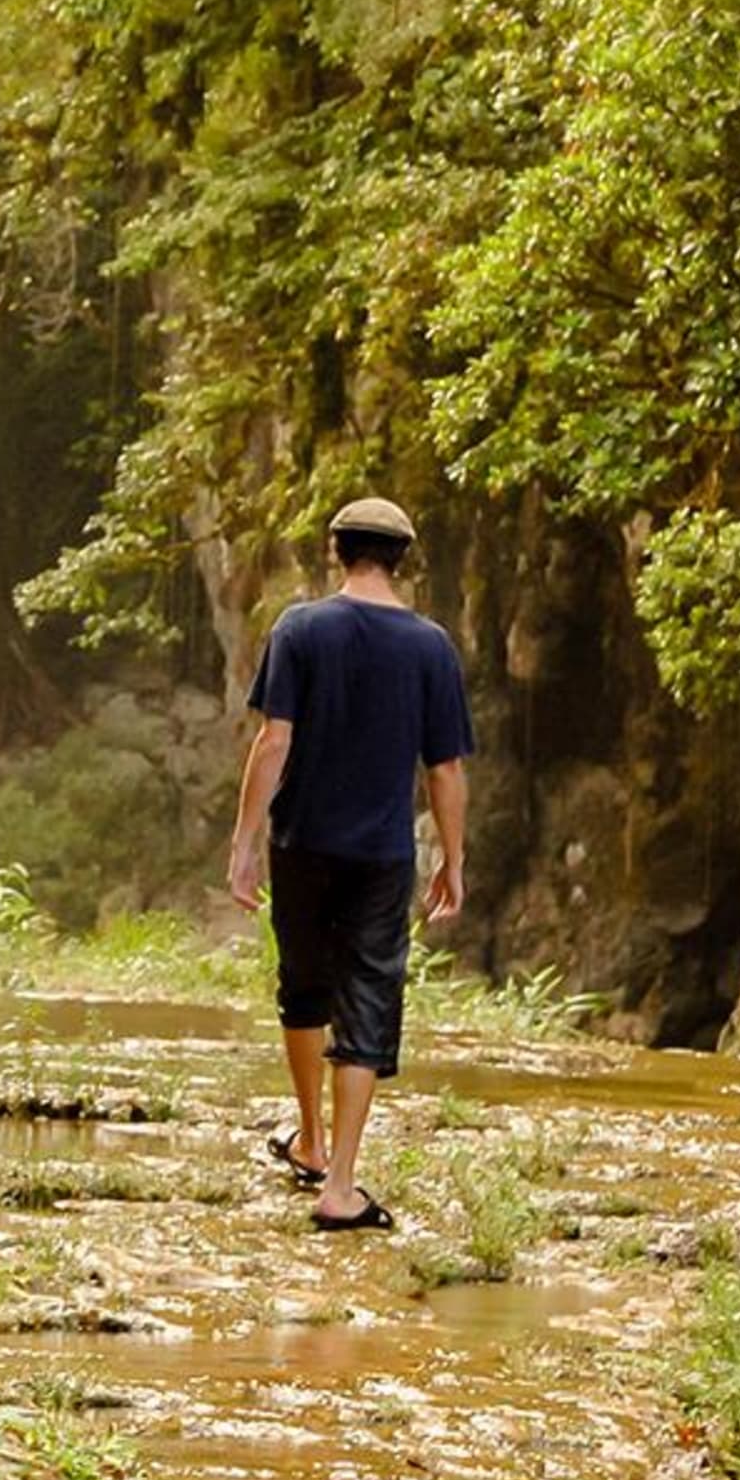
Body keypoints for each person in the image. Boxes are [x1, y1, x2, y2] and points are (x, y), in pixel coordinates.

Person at [225, 496, 474, 1232]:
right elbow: (446, 769)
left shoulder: (301, 628)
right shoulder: (431, 648)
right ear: (403, 558)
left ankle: (309, 1135)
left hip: (300, 841)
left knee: (302, 985)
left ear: (335, 549)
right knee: (366, 1000)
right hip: (383, 854)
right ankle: (340, 1185)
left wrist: (243, 844)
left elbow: (273, 742)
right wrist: (454, 860)